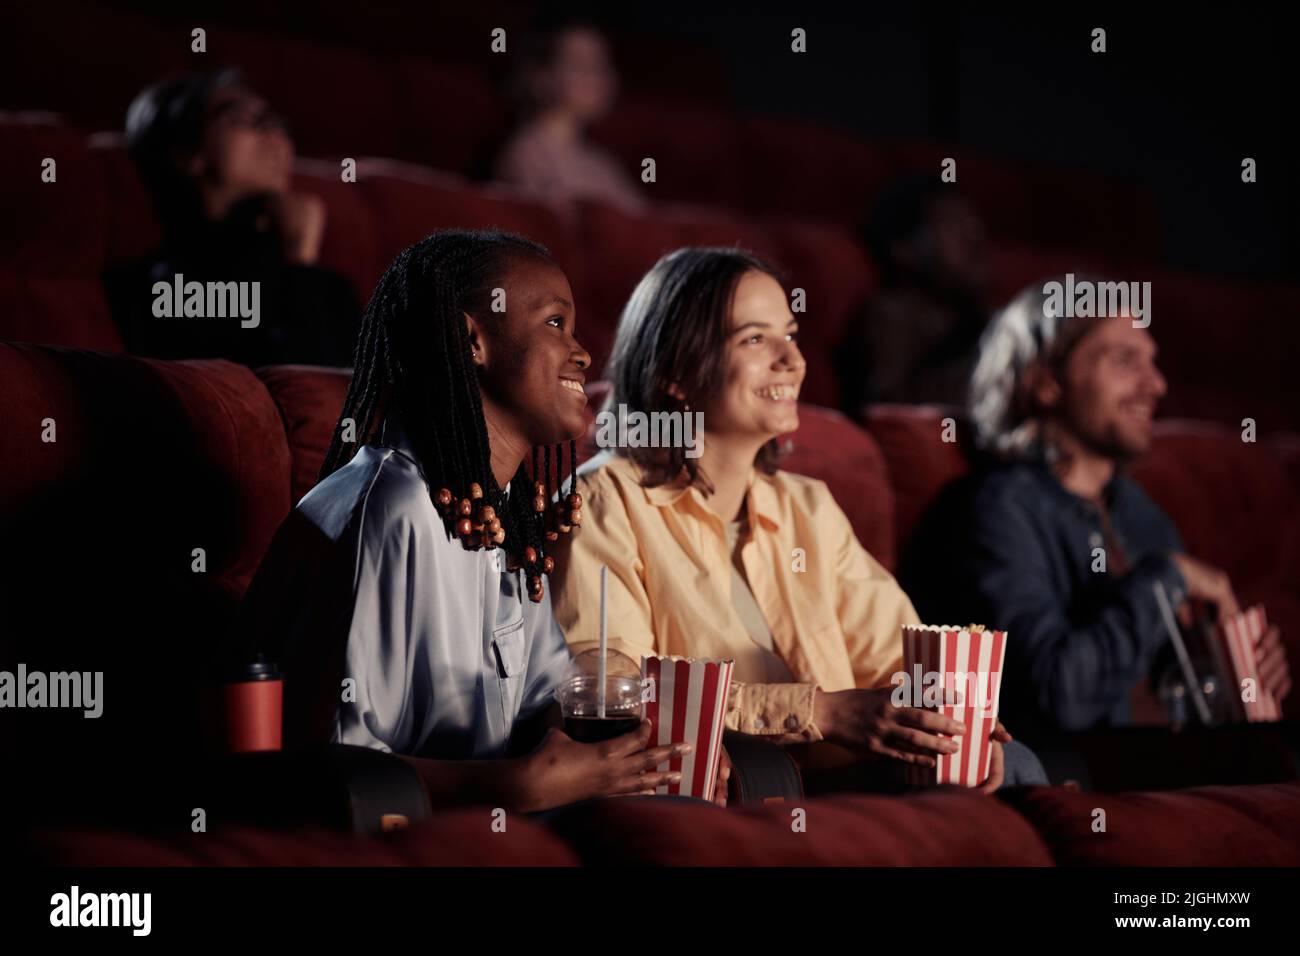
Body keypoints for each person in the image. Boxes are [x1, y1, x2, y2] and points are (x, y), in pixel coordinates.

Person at [237, 229, 713, 812]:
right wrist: (511, 788)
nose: (585, 353)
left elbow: (546, 701)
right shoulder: (393, 508)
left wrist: (662, 744)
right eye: (555, 324)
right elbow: (337, 769)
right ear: (472, 341)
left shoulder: (498, 510)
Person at [550, 247, 1045, 791]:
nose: (792, 360)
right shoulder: (603, 500)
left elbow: (895, 663)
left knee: (1015, 766)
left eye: (790, 334)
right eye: (756, 339)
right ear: (674, 372)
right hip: (736, 790)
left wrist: (954, 725)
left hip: (851, 784)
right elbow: (615, 692)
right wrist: (822, 712)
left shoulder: (809, 507)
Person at [902, 278, 1291, 741]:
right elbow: (1059, 696)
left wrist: (1230, 674)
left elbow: (1176, 688)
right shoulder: (994, 511)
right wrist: (1169, 580)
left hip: (1165, 773)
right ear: (1045, 382)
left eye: (1152, 362)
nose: (1156, 385)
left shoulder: (1138, 513)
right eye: (1125, 360)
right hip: (1071, 779)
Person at [105, 68, 359, 367]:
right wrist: (300, 259)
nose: (273, 135)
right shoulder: (163, 286)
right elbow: (285, 387)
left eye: (274, 121)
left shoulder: (331, 288)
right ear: (187, 154)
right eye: (243, 120)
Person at [836, 174, 989, 410]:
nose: (974, 234)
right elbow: (889, 408)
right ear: (903, 249)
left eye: (972, 221)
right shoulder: (889, 314)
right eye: (952, 224)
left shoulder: (979, 313)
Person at [491, 23, 647, 215]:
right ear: (540, 77)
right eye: (580, 64)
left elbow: (643, 224)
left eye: (602, 64)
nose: (597, 77)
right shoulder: (526, 153)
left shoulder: (605, 165)